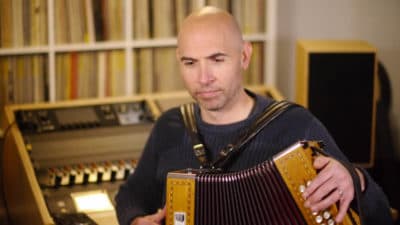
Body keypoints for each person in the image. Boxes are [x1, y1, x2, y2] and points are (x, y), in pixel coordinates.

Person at [115, 6, 393, 225]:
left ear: (245, 56)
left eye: (217, 59)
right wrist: (135, 219)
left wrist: (356, 179)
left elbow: (380, 216)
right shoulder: (170, 127)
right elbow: (131, 194)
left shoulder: (295, 126)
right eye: (190, 63)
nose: (203, 78)